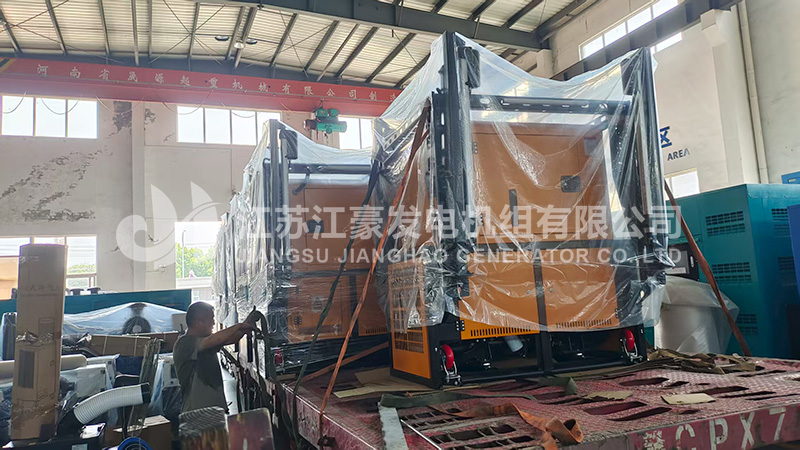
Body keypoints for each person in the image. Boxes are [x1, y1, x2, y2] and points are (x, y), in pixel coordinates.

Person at [173, 302, 257, 413]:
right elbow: (216, 339)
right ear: (198, 321)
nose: (213, 323)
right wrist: (239, 326)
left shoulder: (205, 343)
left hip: (215, 411)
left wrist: (248, 323)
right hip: (197, 414)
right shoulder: (185, 343)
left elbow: (232, 338)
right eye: (211, 318)